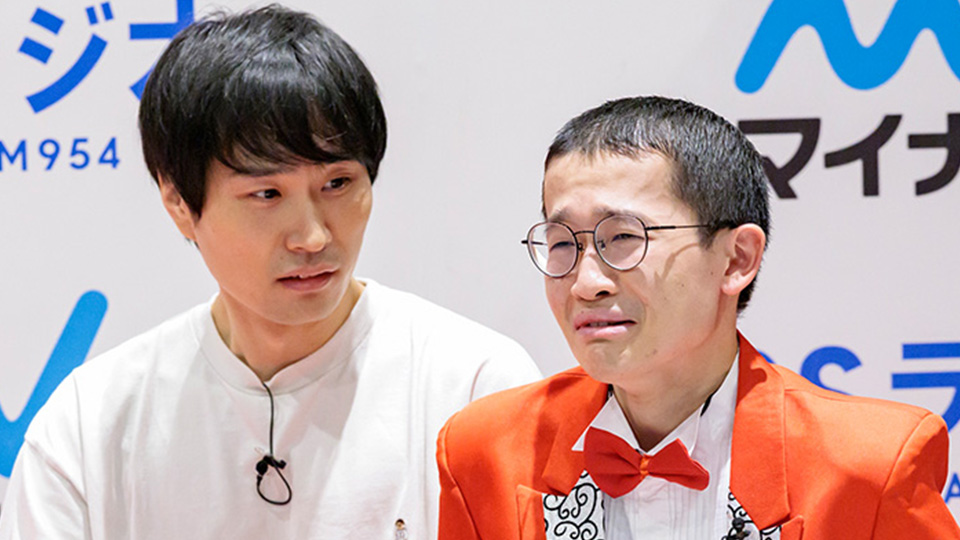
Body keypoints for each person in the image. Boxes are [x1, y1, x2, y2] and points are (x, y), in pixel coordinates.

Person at [0, 5, 540, 539]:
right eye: (267, 194)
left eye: (338, 184)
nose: (313, 237)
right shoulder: (90, 424)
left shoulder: (476, 386)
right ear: (178, 201)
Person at [436, 96, 960, 539]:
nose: (585, 282)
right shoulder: (483, 452)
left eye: (623, 237)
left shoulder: (868, 466)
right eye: (561, 243)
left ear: (736, 260)